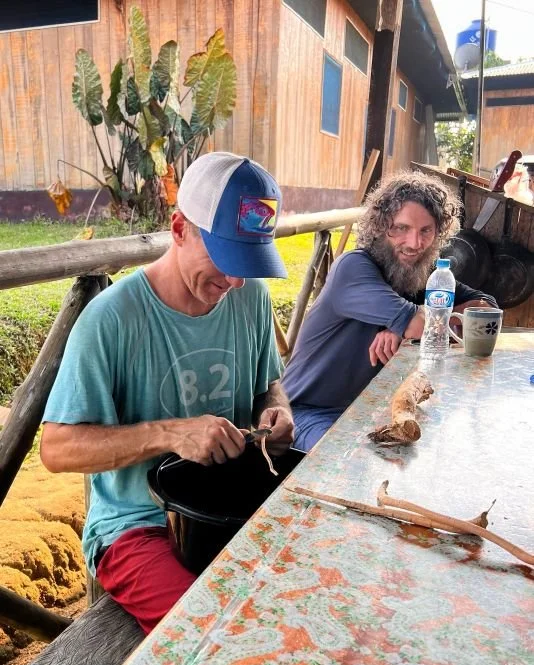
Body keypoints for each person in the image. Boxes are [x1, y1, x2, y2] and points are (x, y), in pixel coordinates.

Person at [40, 152, 295, 634]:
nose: (234, 280)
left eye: (248, 262)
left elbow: (269, 386)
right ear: (179, 229)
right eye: (224, 259)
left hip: (228, 507)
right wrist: (169, 433)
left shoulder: (249, 296)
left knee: (299, 599)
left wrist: (277, 412)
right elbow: (56, 449)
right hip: (138, 525)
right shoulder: (112, 319)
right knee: (213, 637)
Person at [282, 170, 497, 453]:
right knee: (356, 464)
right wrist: (408, 322)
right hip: (308, 414)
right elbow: (419, 324)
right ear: (381, 226)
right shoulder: (354, 267)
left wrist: (403, 325)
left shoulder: (420, 274)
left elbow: (486, 309)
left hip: (370, 411)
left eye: (426, 231)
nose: (414, 243)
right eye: (402, 228)